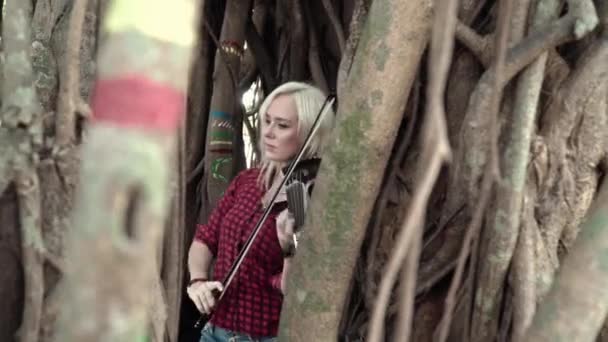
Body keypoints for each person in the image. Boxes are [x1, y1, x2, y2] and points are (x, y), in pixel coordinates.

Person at [187, 81, 335, 341]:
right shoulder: (247, 181)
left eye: (283, 125)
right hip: (214, 331)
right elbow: (206, 238)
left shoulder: (311, 195)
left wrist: (290, 249)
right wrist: (197, 281)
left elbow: (296, 291)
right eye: (267, 121)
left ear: (312, 131)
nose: (268, 132)